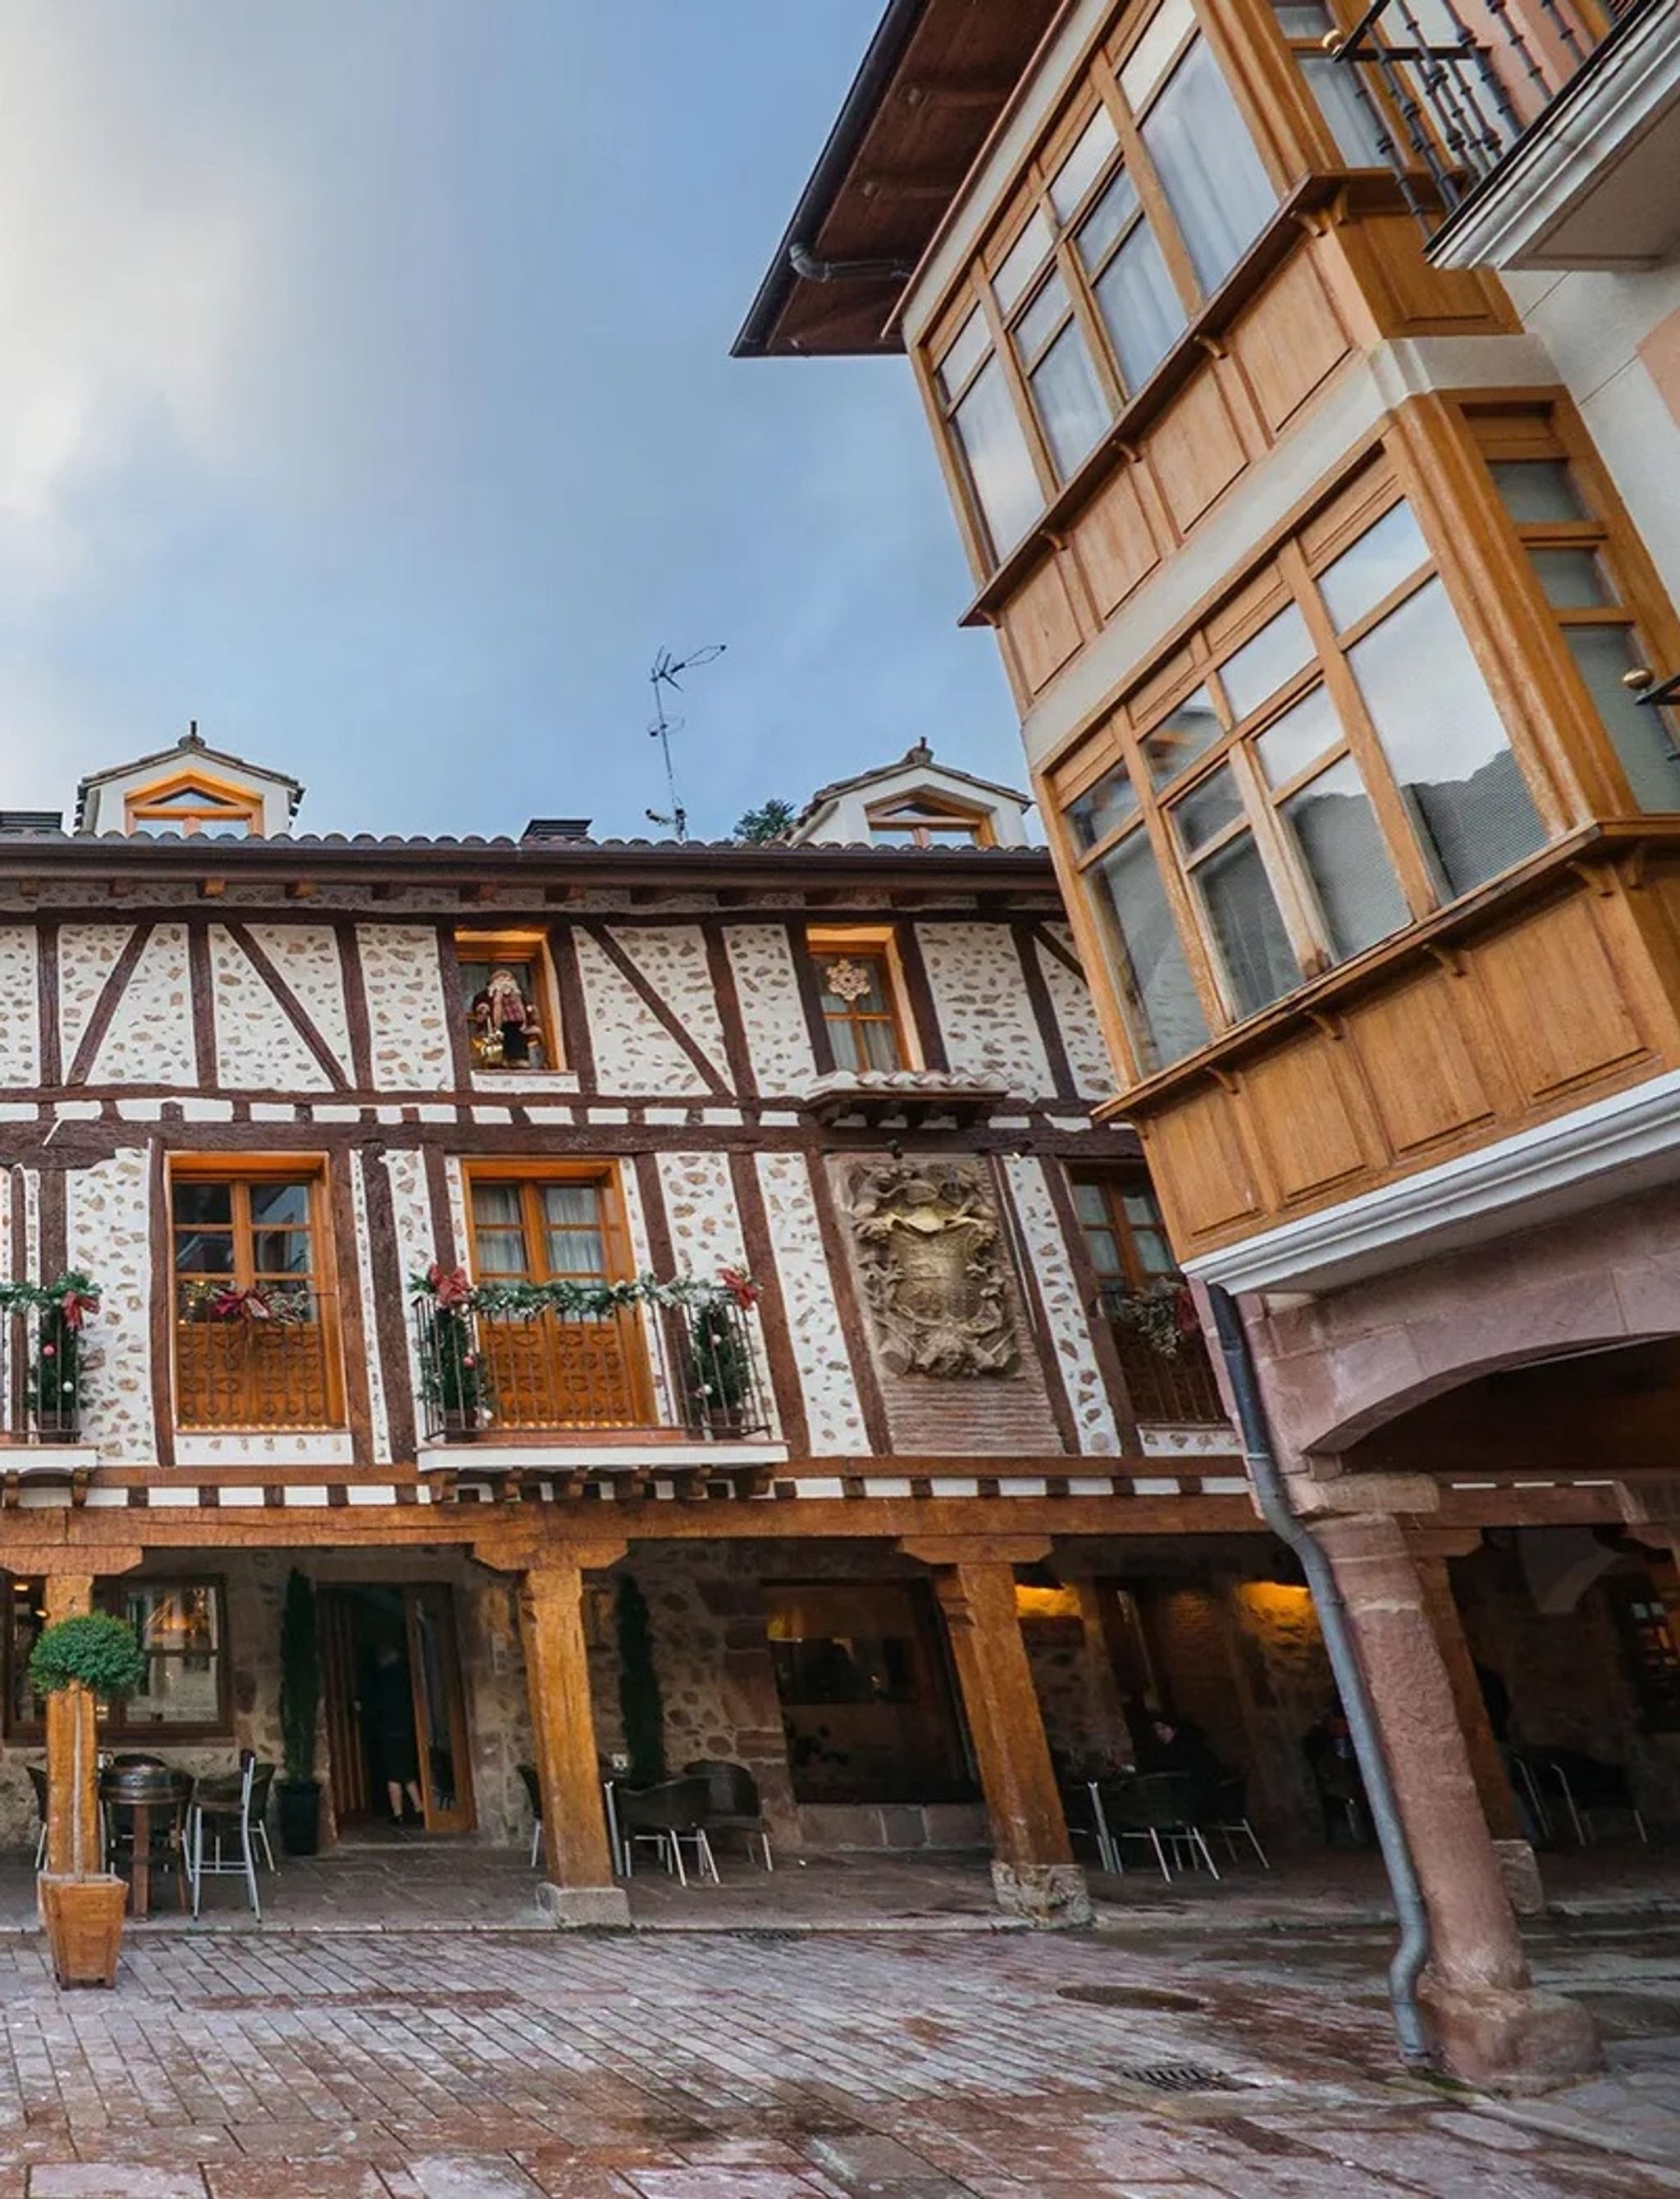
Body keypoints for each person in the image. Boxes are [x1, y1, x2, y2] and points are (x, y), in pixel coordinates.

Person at [367, 1638, 423, 1827]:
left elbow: (378, 1706)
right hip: (406, 1730)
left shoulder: (384, 1679)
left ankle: (398, 1813)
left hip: (390, 1731)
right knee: (406, 1772)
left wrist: (363, 1708)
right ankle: (419, 1807)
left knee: (392, 1774)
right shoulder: (406, 1676)